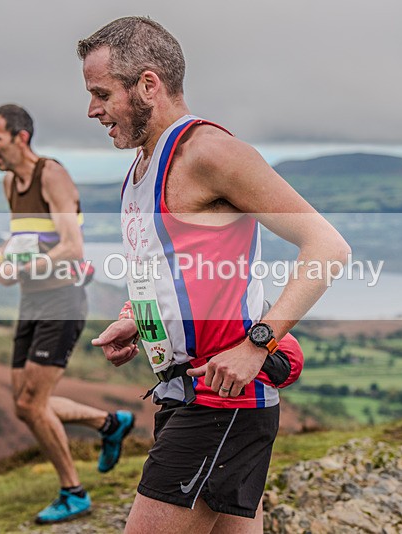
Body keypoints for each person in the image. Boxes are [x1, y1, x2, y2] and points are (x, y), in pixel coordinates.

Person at [79, 18, 350, 534]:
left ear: (148, 85)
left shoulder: (210, 153)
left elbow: (328, 247)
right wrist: (135, 317)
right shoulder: (142, 167)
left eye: (101, 93)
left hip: (224, 398)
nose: (92, 109)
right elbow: (177, 270)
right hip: (184, 392)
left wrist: (258, 345)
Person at [0, 104, 135, 524]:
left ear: (21, 138)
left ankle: (73, 492)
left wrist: (16, 267)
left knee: (31, 401)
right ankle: (109, 424)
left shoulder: (51, 174)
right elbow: (22, 237)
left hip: (62, 300)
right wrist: (1, 258)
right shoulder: (11, 183)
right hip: (32, 299)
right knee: (26, 405)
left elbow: (71, 248)